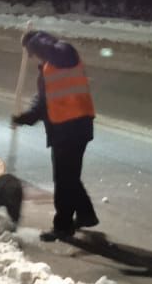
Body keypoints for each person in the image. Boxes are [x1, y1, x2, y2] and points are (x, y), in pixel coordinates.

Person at [12, 28, 99, 243]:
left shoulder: (64, 53)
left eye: (33, 52)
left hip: (72, 128)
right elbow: (43, 103)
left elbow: (55, 51)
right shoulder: (49, 68)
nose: (34, 57)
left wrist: (34, 42)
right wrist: (24, 118)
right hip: (68, 129)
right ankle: (86, 215)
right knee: (69, 176)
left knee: (63, 179)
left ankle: (63, 227)